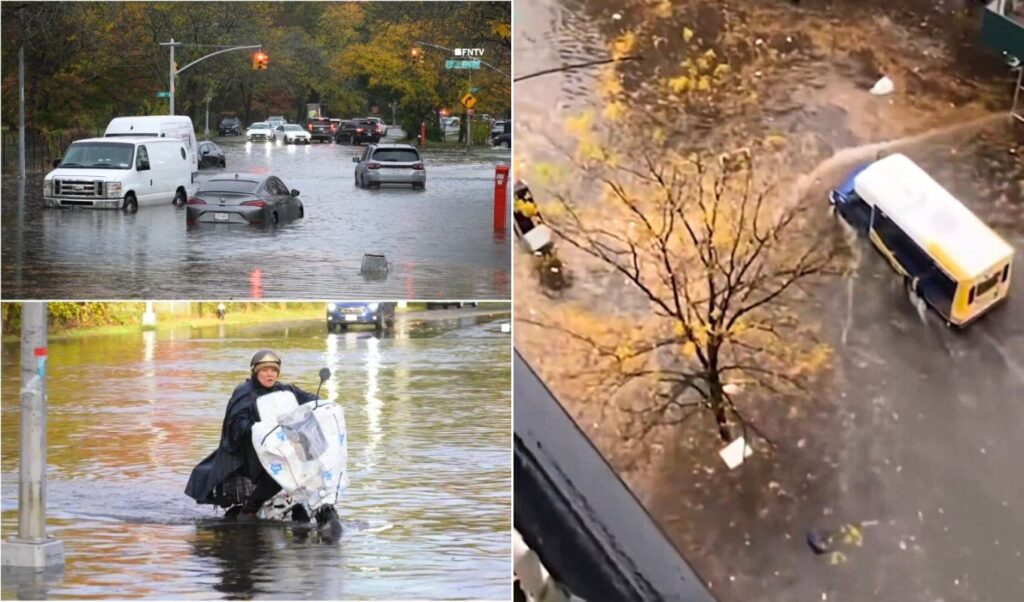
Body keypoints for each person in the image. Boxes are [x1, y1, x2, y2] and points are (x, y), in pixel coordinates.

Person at [185, 349, 318, 521]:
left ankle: (299, 507)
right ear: (256, 372)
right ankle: (249, 509)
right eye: (265, 370)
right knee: (279, 474)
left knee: (306, 465)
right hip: (251, 453)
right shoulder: (244, 393)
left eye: (273, 370)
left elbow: (306, 398)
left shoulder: (284, 389)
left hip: (282, 447)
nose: (270, 374)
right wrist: (255, 429)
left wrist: (322, 403)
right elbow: (235, 423)